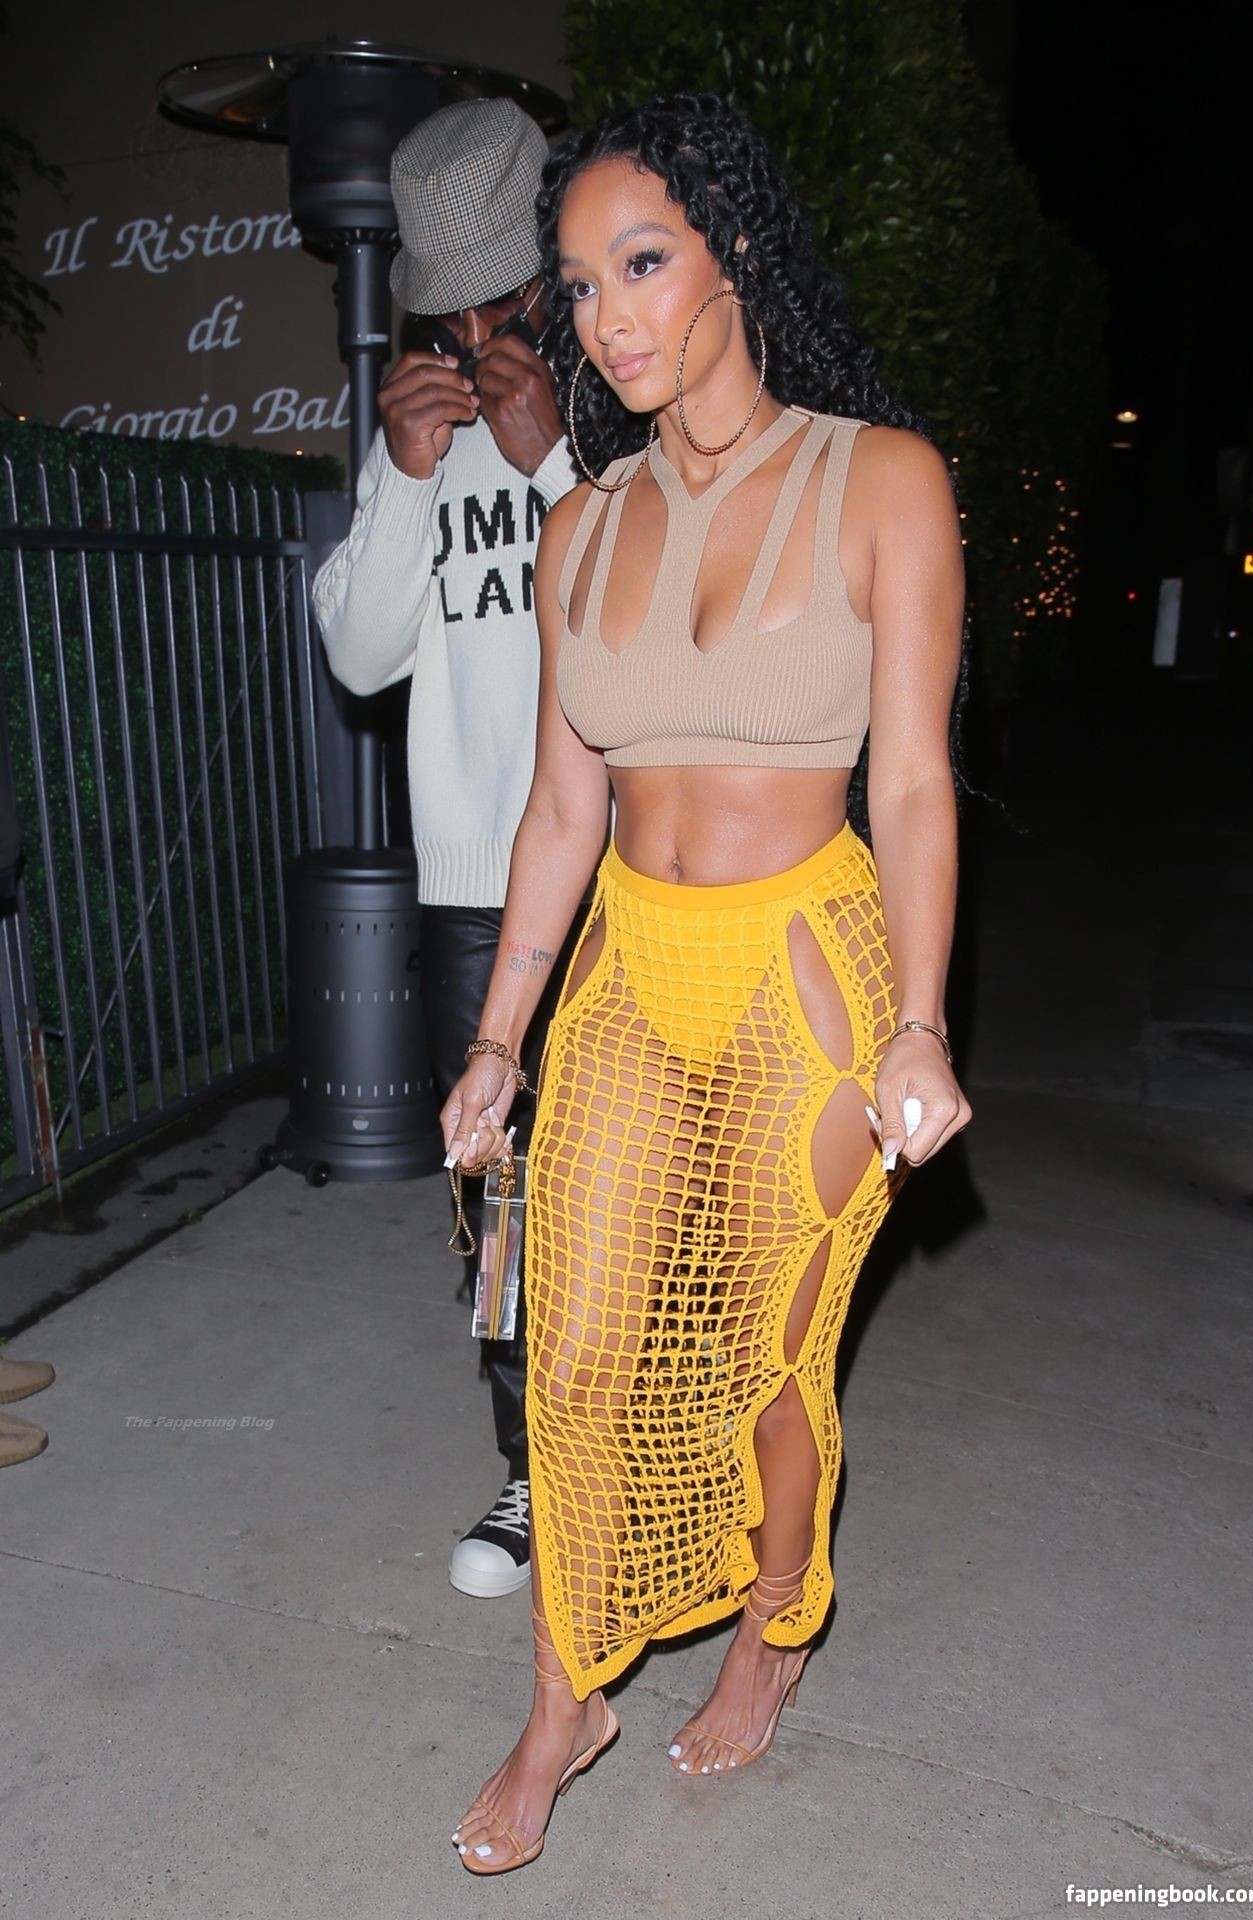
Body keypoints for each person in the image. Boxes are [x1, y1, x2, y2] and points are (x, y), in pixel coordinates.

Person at [440, 91, 972, 1874]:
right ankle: (563, 1700)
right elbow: (559, 812)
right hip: (628, 971)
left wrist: (920, 1019)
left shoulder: (883, 481)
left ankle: (775, 1621)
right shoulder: (578, 528)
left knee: (766, 1355)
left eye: (645, 263)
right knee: (575, 1350)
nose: (610, 318)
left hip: (808, 966)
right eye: (581, 284)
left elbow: (913, 781)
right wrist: (498, 1037)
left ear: (734, 251)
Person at [313, 97, 580, 1600]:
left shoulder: (608, 409)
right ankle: (531, 1473)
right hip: (476, 895)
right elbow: (359, 656)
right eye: (452, 311)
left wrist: (554, 474)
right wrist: (407, 475)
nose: (478, 336)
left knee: (649, 1196)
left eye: (505, 301)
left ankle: (645, 1458)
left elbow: (661, 635)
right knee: (502, 1212)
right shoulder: (415, 433)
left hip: (635, 880)